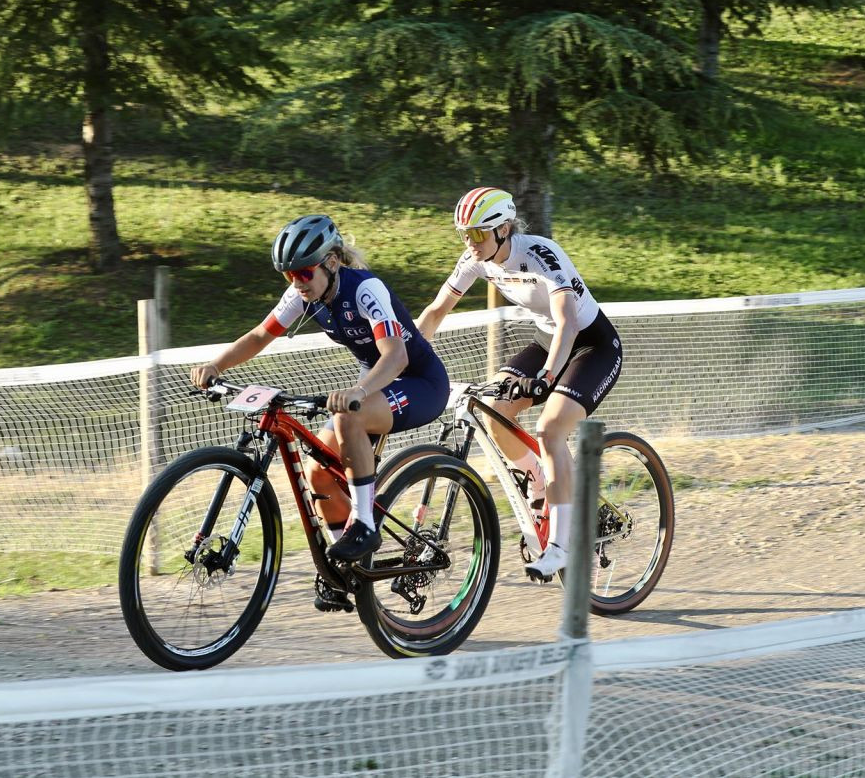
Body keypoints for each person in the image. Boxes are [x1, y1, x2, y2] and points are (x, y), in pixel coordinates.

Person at [191, 215, 450, 567]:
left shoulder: (364, 289)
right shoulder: (304, 295)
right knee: (319, 474)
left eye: (303, 273)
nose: (297, 282)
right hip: (377, 383)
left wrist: (358, 390)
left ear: (330, 262)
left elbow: (396, 356)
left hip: (420, 382)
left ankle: (365, 526)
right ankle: (344, 566)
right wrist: (216, 365)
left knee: (347, 419)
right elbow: (259, 336)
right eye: (289, 275)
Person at [415, 187, 623, 581]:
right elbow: (436, 310)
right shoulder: (476, 259)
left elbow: (567, 322)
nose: (469, 242)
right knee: (492, 409)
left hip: (590, 344)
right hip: (548, 341)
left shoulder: (541, 254)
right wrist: (403, 356)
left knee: (550, 430)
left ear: (504, 228)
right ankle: (540, 476)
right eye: (464, 235)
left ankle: (562, 547)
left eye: (477, 234)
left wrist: (545, 378)